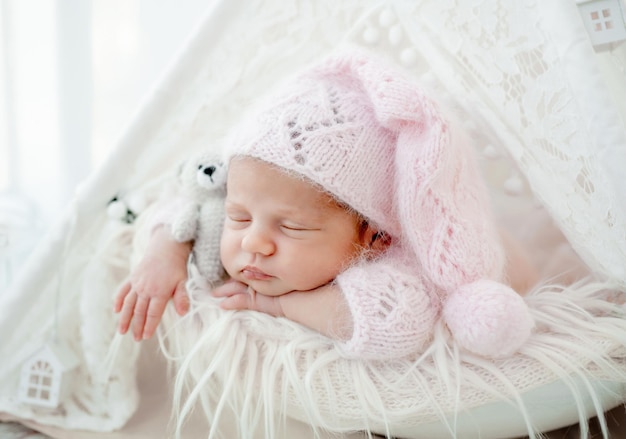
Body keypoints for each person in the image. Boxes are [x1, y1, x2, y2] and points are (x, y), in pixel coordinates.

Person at [114, 49, 537, 360]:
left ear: (374, 238)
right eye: (238, 217)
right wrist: (164, 249)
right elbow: (186, 201)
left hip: (511, 262)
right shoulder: (260, 194)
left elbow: (399, 321)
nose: (254, 243)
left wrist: (276, 305)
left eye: (291, 228)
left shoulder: (398, 261)